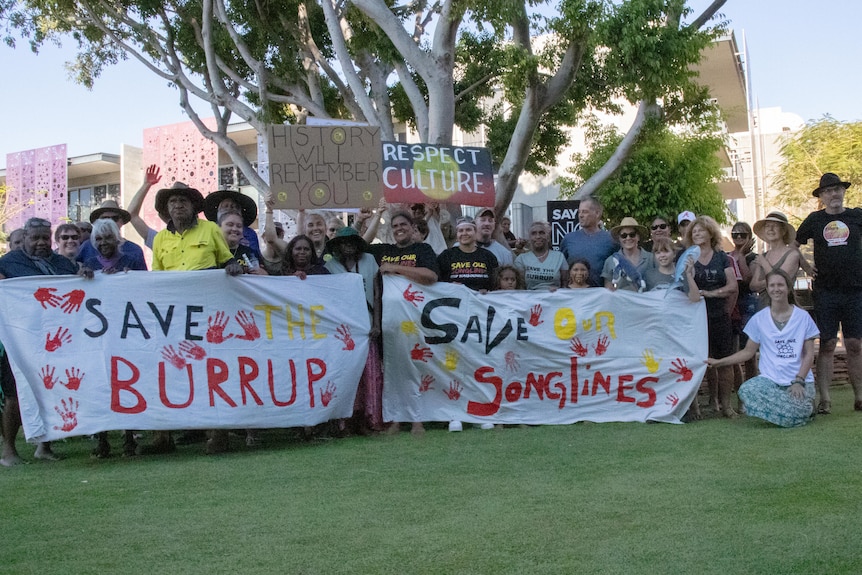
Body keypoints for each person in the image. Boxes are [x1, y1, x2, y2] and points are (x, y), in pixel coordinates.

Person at [147, 181, 242, 455]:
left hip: (208, 314)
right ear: (166, 209)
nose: (178, 205)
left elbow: (226, 260)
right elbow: (156, 278)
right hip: (174, 316)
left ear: (193, 207)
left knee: (209, 370)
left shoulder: (211, 229)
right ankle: (162, 437)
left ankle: (218, 433)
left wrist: (233, 266)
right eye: (172, 202)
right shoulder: (160, 240)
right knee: (168, 370)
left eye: (183, 201)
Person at [0, 217, 90, 466]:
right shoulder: (8, 263)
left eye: (44, 238)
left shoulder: (62, 263)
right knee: (14, 395)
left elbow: (80, 284)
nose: (40, 242)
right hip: (19, 340)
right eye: (34, 237)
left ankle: (45, 446)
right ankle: (9, 450)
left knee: (53, 389)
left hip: (56, 341)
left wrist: (84, 274)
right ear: (25, 238)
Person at [707, 270, 819, 427]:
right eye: (772, 285)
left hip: (799, 381)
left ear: (788, 288)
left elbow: (809, 354)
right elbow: (748, 352)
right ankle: (796, 413)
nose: (776, 289)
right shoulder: (759, 319)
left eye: (780, 285)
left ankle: (796, 411)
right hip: (771, 381)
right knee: (746, 391)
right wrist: (720, 362)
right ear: (767, 288)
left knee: (793, 405)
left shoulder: (802, 317)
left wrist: (799, 381)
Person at [795, 172, 862, 414]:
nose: (834, 194)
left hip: (855, 290)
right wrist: (804, 264)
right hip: (826, 291)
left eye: (837, 189)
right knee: (827, 344)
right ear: (821, 196)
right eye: (828, 191)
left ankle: (859, 397)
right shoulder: (815, 219)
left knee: (855, 344)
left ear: (843, 192)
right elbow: (793, 243)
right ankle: (825, 400)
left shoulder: (856, 216)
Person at [325, 227, 382, 433]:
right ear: (337, 246)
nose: (347, 245)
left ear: (358, 243)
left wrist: (376, 323)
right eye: (343, 242)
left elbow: (376, 294)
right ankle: (346, 421)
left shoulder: (368, 260)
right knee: (347, 376)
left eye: (351, 241)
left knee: (371, 376)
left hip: (367, 328)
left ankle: (369, 419)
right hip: (343, 333)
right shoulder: (330, 266)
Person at [683, 215, 739, 418]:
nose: (697, 233)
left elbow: (732, 286)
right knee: (696, 362)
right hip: (695, 319)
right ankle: (694, 407)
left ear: (710, 233)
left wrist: (712, 294)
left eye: (701, 230)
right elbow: (684, 289)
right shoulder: (687, 256)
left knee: (725, 361)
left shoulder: (721, 256)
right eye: (694, 231)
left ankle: (726, 406)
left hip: (719, 315)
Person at [559, 197, 615, 287]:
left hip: (600, 296)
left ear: (597, 213)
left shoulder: (610, 239)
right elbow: (560, 268)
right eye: (579, 212)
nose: (580, 215)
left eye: (585, 212)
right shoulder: (568, 239)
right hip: (574, 296)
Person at [78, 199, 147, 271]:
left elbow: (143, 278)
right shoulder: (86, 247)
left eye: (115, 218)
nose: (110, 222)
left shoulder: (135, 250)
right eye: (105, 218)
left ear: (122, 221)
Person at [437, 217, 498, 293]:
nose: (464, 233)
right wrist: (450, 285)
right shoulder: (446, 256)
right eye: (460, 231)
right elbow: (437, 282)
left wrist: (488, 291)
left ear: (475, 233)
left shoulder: (488, 256)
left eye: (468, 230)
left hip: (481, 302)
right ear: (457, 235)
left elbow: (496, 283)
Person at [750, 212, 801, 294]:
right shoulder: (763, 256)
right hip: (763, 304)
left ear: (783, 231)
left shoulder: (792, 255)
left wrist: (764, 264)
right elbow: (753, 286)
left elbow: (779, 281)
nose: (771, 229)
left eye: (775, 226)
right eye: (767, 226)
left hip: (784, 304)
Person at [203, 189, 262, 260]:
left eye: (234, 207)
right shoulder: (206, 231)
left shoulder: (249, 233)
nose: (230, 209)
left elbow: (255, 257)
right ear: (218, 210)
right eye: (225, 206)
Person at [601, 217, 653, 292]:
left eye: (632, 235)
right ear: (619, 238)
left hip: (646, 302)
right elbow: (608, 291)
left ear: (638, 237)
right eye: (624, 235)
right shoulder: (610, 261)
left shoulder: (651, 258)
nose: (628, 238)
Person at [82, 219, 148, 274]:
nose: (103, 242)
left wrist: (131, 275)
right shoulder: (89, 265)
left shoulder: (132, 263)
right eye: (99, 239)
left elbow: (144, 284)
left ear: (117, 239)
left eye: (108, 238)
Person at [514, 221, 567, 290]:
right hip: (530, 299)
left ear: (548, 237)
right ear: (529, 238)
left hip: (554, 298)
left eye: (541, 233)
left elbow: (565, 284)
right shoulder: (521, 259)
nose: (538, 236)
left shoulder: (559, 257)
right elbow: (520, 287)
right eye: (534, 233)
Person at [218, 210, 267, 275]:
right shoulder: (213, 252)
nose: (234, 229)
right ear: (219, 228)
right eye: (230, 225)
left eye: (239, 226)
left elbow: (266, 278)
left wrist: (264, 273)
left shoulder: (251, 253)